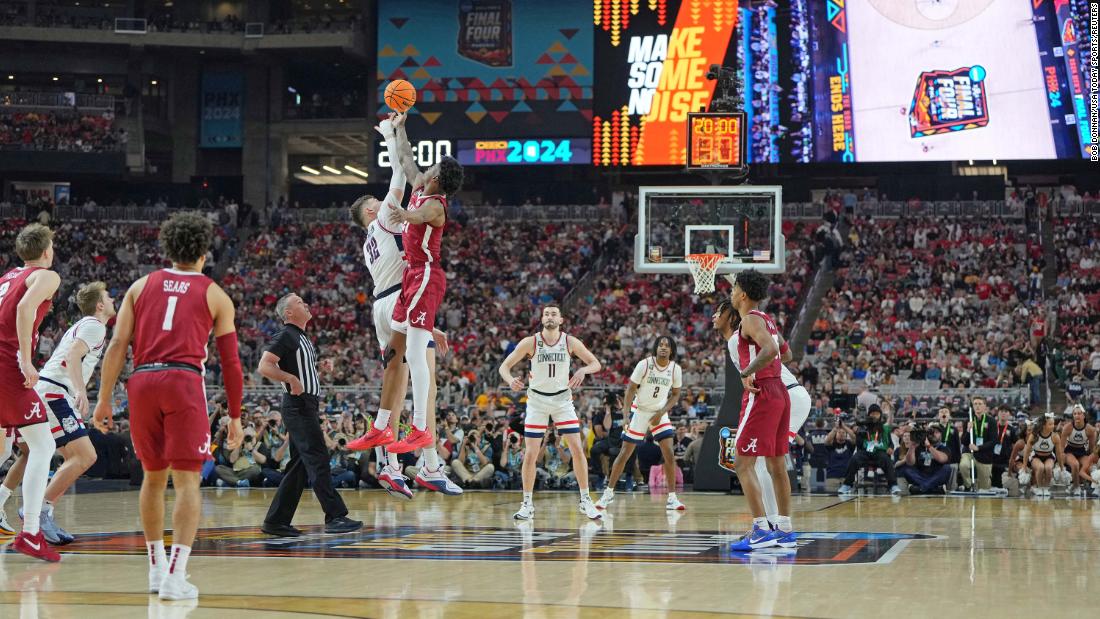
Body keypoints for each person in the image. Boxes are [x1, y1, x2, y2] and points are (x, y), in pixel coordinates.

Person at [92, 213, 245, 600]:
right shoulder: (215, 293)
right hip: (182, 380)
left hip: (142, 380)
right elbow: (231, 362)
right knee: (188, 480)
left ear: (167, 247)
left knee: (153, 478)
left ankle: (156, 570)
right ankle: (176, 576)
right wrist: (237, 416)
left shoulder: (140, 286)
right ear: (205, 252)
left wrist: (104, 398)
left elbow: (116, 346)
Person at [345, 113, 451, 499]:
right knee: (426, 381)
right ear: (372, 212)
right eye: (376, 202)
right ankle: (428, 463)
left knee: (397, 381)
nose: (384, 201)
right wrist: (391, 136)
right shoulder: (386, 217)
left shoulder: (369, 239)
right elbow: (400, 177)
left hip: (386, 305)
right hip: (400, 297)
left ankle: (390, 464)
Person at [376, 112, 464, 496]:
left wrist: (400, 213)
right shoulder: (420, 183)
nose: (422, 168)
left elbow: (417, 214)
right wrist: (399, 128)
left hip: (425, 274)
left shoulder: (437, 204)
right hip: (410, 278)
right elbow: (407, 159)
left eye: (430, 168)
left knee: (413, 355)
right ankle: (405, 448)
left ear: (436, 179)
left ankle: (419, 436)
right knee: (402, 355)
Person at [0, 281, 114, 544]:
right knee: (85, 456)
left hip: (47, 390)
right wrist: (80, 390)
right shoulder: (95, 326)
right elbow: (74, 356)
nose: (111, 299)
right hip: (54, 391)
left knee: (38, 454)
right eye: (107, 296)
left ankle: (37, 512)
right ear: (99, 305)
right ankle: (39, 512)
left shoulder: (88, 326)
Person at [258, 293, 362, 536]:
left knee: (299, 466)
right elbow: (265, 365)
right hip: (298, 406)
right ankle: (335, 516)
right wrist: (290, 379)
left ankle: (276, 521)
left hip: (305, 406)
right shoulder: (286, 334)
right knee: (318, 458)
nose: (305, 303)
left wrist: (317, 368)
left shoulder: (301, 338)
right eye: (298, 302)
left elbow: (299, 369)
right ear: (289, 314)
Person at [499, 305, 603, 521]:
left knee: (576, 448)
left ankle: (585, 500)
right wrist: (511, 381)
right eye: (546, 313)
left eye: (554, 313)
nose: (550, 316)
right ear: (541, 318)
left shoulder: (570, 342)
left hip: (562, 400)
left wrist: (583, 370)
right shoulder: (531, 342)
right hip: (536, 400)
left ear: (561, 320)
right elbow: (504, 367)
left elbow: (596, 363)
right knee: (530, 453)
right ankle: (527, 504)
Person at [715, 298, 813, 526]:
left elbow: (754, 373)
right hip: (790, 395)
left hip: (778, 393)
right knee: (772, 461)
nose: (713, 317)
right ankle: (781, 524)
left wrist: (747, 372)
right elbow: (786, 355)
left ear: (730, 316)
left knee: (755, 463)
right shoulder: (761, 323)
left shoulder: (737, 339)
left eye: (718, 312)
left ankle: (768, 524)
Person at [0, 223, 62, 561]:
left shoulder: (7, 276)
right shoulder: (46, 276)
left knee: (12, 447)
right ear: (47, 250)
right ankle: (31, 532)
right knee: (44, 445)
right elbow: (25, 309)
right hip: (8, 365)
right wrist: (25, 360)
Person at [723, 270, 795, 552]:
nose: (730, 294)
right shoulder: (766, 319)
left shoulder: (751, 320)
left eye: (733, 289)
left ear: (741, 294)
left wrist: (747, 370)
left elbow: (768, 350)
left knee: (742, 463)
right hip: (780, 392)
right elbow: (785, 354)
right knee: (776, 464)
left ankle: (761, 530)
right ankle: (785, 529)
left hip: (763, 393)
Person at [596, 335, 684, 512]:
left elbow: (675, 394)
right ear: (656, 348)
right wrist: (626, 414)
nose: (663, 348)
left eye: (667, 345)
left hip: (659, 411)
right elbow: (630, 389)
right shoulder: (644, 364)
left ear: (672, 350)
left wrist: (662, 412)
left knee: (668, 452)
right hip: (640, 410)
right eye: (660, 345)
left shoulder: (675, 369)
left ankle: (672, 498)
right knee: (625, 453)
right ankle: (608, 493)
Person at [836, 404, 900, 495]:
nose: (874, 415)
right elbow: (859, 444)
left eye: (877, 413)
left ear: (880, 415)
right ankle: (847, 484)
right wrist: (857, 433)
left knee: (887, 460)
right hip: (865, 452)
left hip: (879, 453)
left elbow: (890, 443)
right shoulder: (862, 427)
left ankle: (893, 485)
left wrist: (890, 448)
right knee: (854, 459)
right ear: (869, 415)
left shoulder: (885, 429)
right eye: (872, 413)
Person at [897, 424, 952, 494]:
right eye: (931, 432)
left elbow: (942, 459)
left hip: (936, 475)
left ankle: (921, 488)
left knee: (947, 468)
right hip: (920, 475)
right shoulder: (919, 446)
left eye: (937, 432)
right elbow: (910, 463)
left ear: (941, 435)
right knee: (905, 468)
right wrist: (912, 447)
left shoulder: (944, 448)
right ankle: (934, 489)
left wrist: (929, 446)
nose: (934, 434)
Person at [959, 397, 996, 491]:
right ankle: (968, 486)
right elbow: (963, 441)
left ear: (985, 407)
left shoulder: (991, 421)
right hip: (969, 453)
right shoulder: (968, 420)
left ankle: (984, 484)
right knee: (963, 465)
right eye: (975, 404)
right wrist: (968, 430)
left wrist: (978, 448)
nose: (977, 406)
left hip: (984, 456)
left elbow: (993, 441)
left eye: (980, 404)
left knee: (984, 489)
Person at [1024, 414, 1064, 498]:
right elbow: (1027, 451)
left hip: (1049, 456)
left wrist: (1061, 467)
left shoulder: (1055, 436)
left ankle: (1045, 488)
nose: (1053, 426)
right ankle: (1039, 487)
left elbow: (1059, 453)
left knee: (1048, 468)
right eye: (1050, 424)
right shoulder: (1034, 435)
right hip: (1036, 456)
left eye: (1053, 424)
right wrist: (1024, 466)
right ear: (1043, 425)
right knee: (1041, 467)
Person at [1060, 404, 1096, 497]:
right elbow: (1061, 447)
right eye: (1075, 414)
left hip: (1081, 451)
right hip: (1069, 451)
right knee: (1075, 464)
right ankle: (1076, 487)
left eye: (1079, 413)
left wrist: (1093, 460)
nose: (1077, 416)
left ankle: (1088, 485)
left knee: (1089, 466)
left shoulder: (1090, 429)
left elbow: (1092, 449)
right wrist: (1060, 460)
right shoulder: (1067, 428)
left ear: (1083, 415)